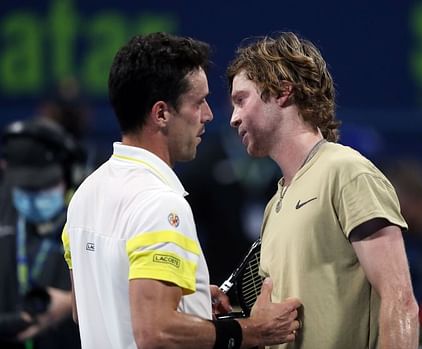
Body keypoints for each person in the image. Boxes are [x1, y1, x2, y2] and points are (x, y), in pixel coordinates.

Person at [62, 32, 301, 349]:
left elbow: (87, 309)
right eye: (198, 102)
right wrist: (253, 331)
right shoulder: (161, 205)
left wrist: (193, 304)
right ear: (161, 114)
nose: (209, 116)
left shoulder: (85, 194)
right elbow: (155, 332)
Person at [227, 32, 419, 349]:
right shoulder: (274, 205)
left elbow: (400, 301)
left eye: (241, 99)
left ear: (282, 91)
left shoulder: (346, 172)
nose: (234, 118)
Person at [0, 118, 82, 348]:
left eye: (45, 185)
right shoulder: (4, 207)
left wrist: (70, 303)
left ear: (69, 176)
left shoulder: (93, 212)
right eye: (24, 189)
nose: (34, 198)